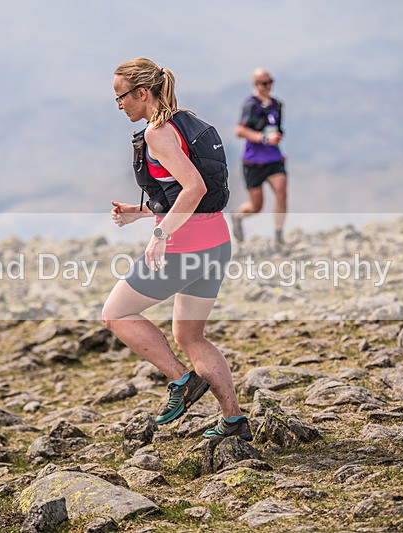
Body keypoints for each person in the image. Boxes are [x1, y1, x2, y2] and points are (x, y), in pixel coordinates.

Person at [101, 57, 252, 442]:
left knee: (116, 314)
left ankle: (181, 382)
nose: (119, 105)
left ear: (141, 92)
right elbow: (180, 191)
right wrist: (140, 213)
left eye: (121, 97)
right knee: (190, 336)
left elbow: (194, 188)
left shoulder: (157, 132)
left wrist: (160, 234)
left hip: (184, 247)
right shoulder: (187, 121)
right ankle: (234, 420)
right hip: (216, 242)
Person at [231, 68, 288, 248]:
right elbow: (239, 130)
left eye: (271, 81)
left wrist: (277, 145)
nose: (268, 86)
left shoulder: (277, 105)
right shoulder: (251, 105)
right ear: (256, 85)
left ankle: (278, 235)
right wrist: (262, 138)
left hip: (274, 159)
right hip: (254, 161)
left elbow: (276, 130)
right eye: (264, 83)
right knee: (256, 207)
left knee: (281, 193)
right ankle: (238, 216)